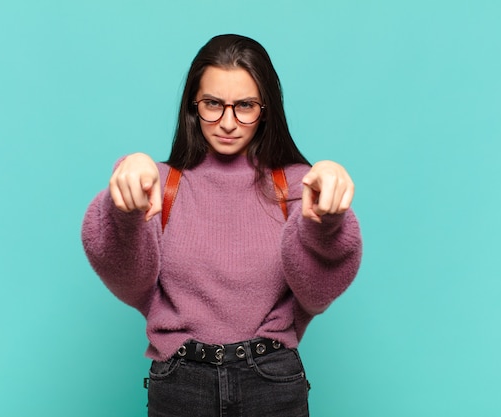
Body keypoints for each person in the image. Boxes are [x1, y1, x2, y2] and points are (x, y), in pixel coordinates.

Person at [81, 34, 362, 417]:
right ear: (193, 107)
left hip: (271, 381)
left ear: (266, 109)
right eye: (213, 104)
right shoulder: (158, 185)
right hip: (181, 383)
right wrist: (124, 209)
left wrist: (325, 223)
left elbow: (315, 294)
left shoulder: (300, 186)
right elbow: (131, 283)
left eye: (245, 106)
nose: (228, 123)